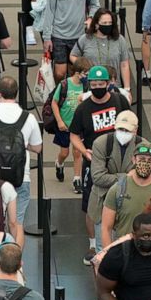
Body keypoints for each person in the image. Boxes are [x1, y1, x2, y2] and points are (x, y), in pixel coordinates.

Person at [68, 64, 129, 247]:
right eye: (93, 85)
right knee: (91, 205)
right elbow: (74, 134)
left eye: (100, 84)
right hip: (94, 162)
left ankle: (119, 240)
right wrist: (83, 150)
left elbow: (132, 122)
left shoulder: (120, 101)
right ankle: (93, 245)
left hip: (119, 161)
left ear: (109, 83)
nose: (97, 88)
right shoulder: (83, 109)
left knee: (122, 199)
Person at [0, 76, 45, 228]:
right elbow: (38, 148)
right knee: (16, 223)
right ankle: (15, 251)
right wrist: (23, 145)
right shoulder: (28, 117)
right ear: (16, 93)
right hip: (21, 176)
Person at [85, 110, 146, 260]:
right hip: (102, 202)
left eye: (127, 130)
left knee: (131, 250)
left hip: (131, 206)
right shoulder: (101, 143)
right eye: (120, 129)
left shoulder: (144, 147)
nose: (123, 133)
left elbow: (142, 177)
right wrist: (126, 177)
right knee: (103, 252)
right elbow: (98, 177)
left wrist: (116, 177)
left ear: (135, 130)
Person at [99, 142, 151, 249]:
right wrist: (108, 257)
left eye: (150, 160)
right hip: (126, 254)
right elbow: (106, 228)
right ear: (134, 159)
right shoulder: (117, 190)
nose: (145, 163)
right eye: (141, 158)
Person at [50, 57, 90, 196]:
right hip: (64, 125)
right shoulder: (65, 84)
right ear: (77, 73)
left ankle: (77, 179)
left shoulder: (86, 87)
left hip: (78, 126)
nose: (87, 76)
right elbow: (54, 103)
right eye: (85, 73)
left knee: (77, 152)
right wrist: (60, 121)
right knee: (64, 152)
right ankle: (59, 163)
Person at [41, 0, 99, 82]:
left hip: (79, 35)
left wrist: (91, 18)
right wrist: (46, 37)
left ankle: (72, 94)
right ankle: (58, 92)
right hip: (58, 35)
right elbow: (50, 9)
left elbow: (95, 4)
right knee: (60, 73)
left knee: (75, 72)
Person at [71, 9, 131, 91]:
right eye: (104, 23)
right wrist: (83, 66)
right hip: (91, 86)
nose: (108, 25)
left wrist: (127, 88)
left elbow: (124, 65)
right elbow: (73, 56)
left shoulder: (120, 40)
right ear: (96, 24)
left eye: (110, 23)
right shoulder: (85, 39)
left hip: (113, 87)